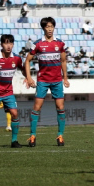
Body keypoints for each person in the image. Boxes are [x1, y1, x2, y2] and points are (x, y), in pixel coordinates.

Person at [24, 17, 70, 147]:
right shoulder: (38, 44)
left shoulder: (60, 44)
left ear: (54, 27)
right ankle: (32, 136)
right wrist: (29, 77)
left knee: (60, 108)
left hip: (56, 81)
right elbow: (27, 60)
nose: (49, 29)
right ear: (43, 28)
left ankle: (60, 135)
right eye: (47, 27)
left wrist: (65, 78)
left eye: (51, 26)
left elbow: (63, 61)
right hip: (43, 81)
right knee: (36, 108)